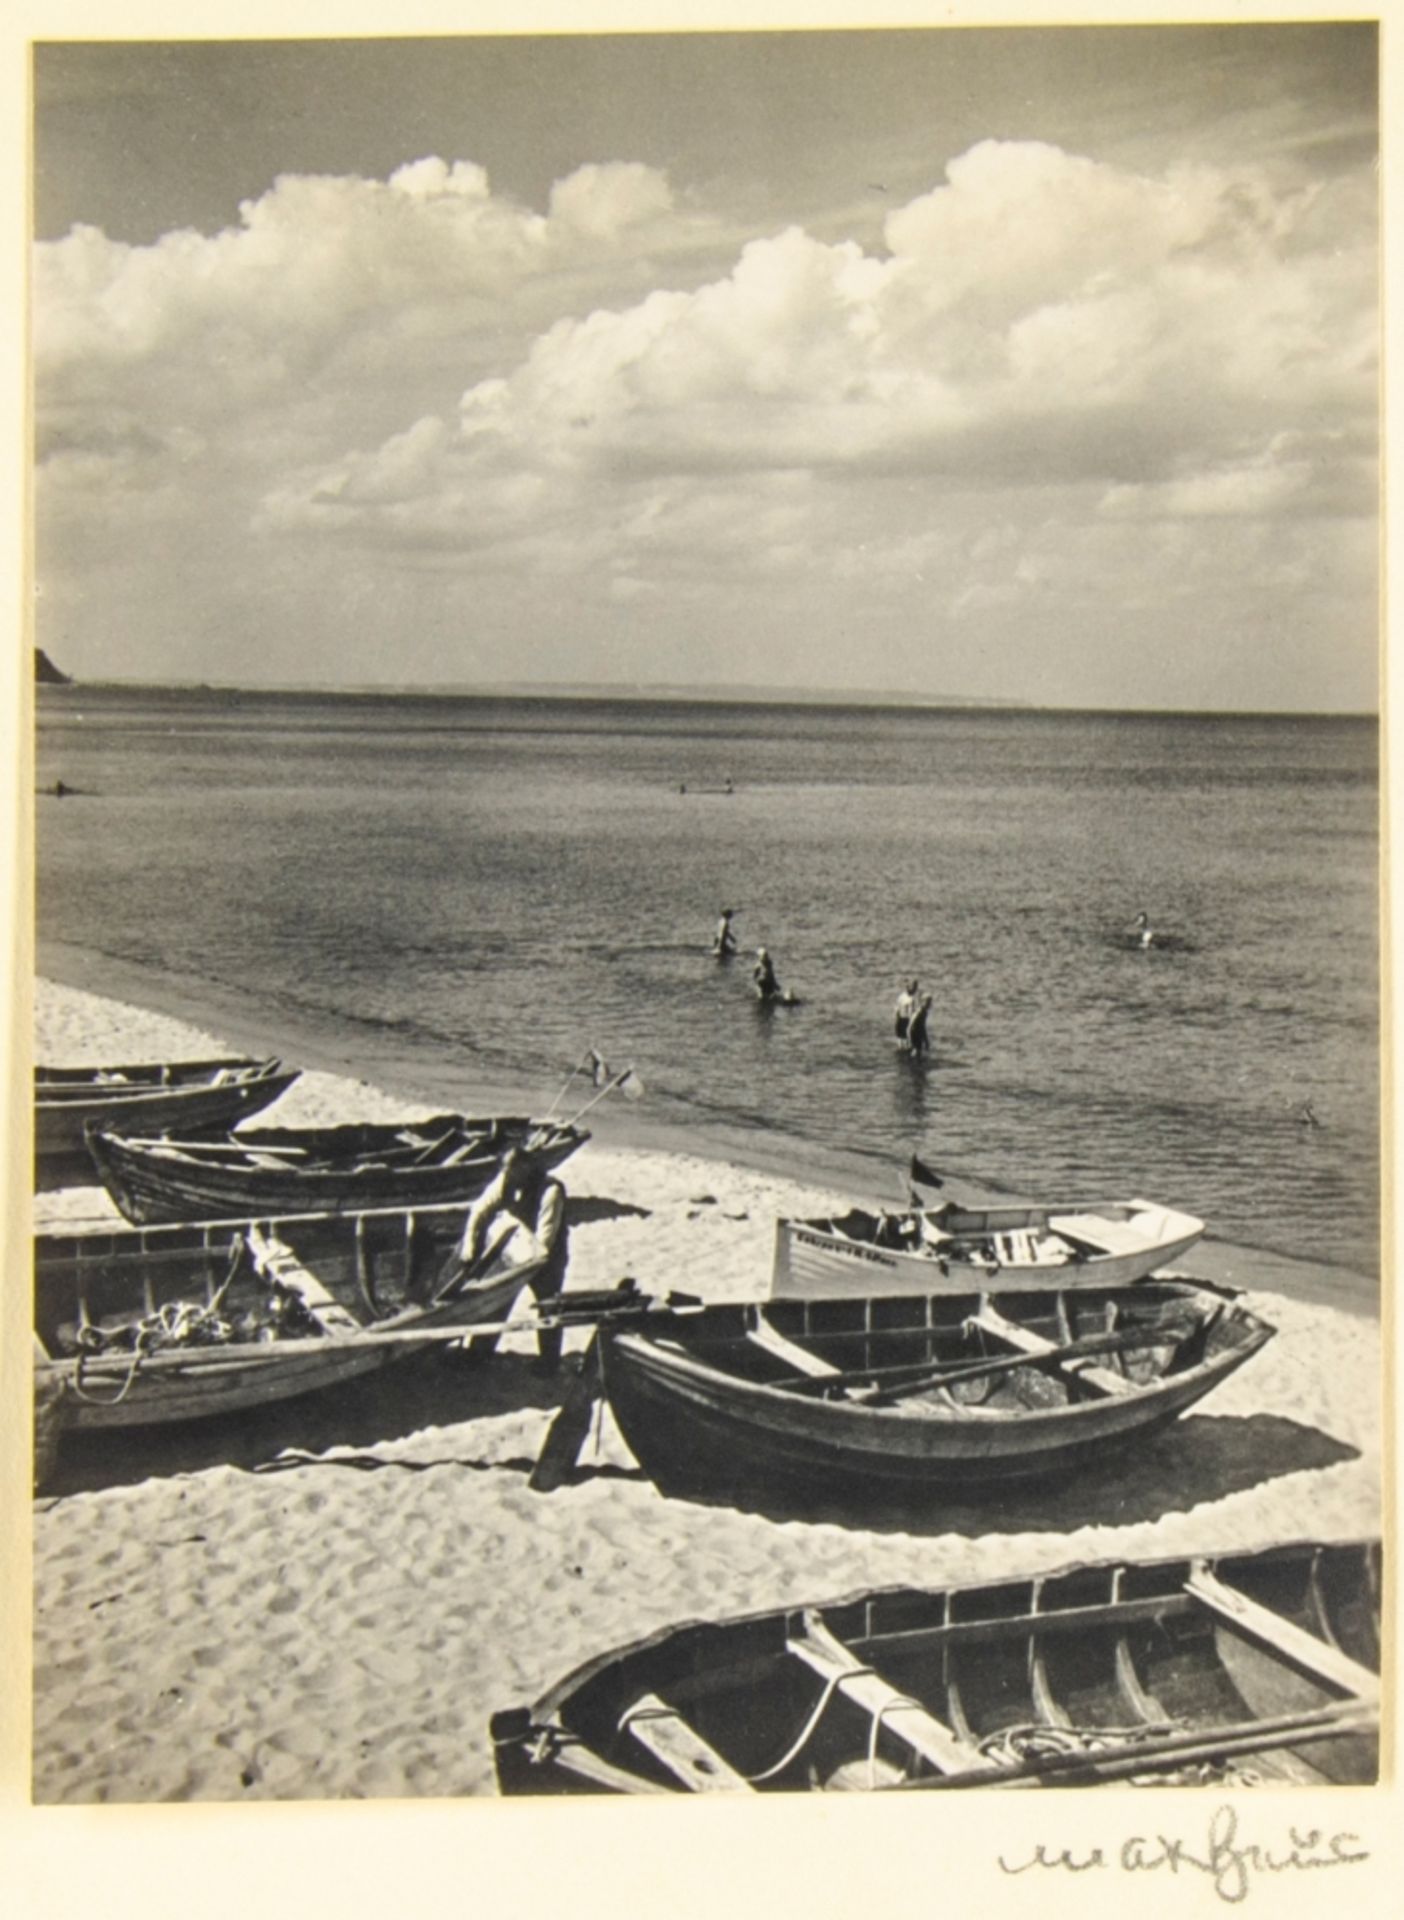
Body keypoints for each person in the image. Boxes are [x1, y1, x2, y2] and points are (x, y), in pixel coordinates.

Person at [454, 1149, 570, 1370]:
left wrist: (523, 1269)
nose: (509, 1177)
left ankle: (549, 1361)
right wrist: (469, 1242)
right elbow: (479, 1209)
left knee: (549, 1305)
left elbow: (544, 1241)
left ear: (526, 1169)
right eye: (506, 1172)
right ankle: (480, 1353)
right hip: (514, 1247)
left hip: (547, 1257)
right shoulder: (506, 1178)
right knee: (497, 1300)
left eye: (514, 1172)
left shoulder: (551, 1191)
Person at [907, 993, 933, 1058]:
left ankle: (917, 1063)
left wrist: (926, 1039)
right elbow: (910, 1026)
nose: (929, 1004)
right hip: (914, 1033)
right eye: (928, 1002)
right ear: (923, 1002)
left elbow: (923, 1026)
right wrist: (910, 1040)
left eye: (930, 1002)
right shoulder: (919, 1012)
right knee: (916, 1050)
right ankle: (911, 1063)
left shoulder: (925, 1012)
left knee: (919, 1051)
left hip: (919, 1033)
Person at [894, 979, 918, 1045]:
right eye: (914, 987)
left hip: (907, 1020)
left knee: (907, 1041)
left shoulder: (913, 998)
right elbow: (897, 1009)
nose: (915, 989)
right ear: (908, 987)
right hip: (903, 1020)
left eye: (916, 987)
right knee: (903, 1040)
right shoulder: (904, 997)